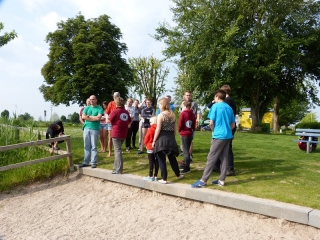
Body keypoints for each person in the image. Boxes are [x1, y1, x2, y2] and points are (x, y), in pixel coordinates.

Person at [191, 90, 235, 188]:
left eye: (214, 98)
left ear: (217, 97)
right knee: (224, 158)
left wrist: (214, 131)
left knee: (211, 158)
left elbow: (211, 123)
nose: (214, 99)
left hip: (218, 135)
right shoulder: (229, 108)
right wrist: (227, 130)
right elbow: (233, 125)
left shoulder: (215, 106)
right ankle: (221, 180)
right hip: (228, 135)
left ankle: (203, 180)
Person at [152, 98, 184, 184]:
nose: (158, 106)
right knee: (172, 158)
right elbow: (174, 130)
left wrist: (154, 140)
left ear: (162, 105)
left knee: (161, 159)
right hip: (171, 138)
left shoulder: (161, 115)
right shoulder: (173, 115)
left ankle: (164, 178)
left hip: (162, 138)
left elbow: (158, 129)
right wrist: (172, 138)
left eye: (159, 104)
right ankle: (178, 174)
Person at [207, 85, 237, 176]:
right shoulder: (230, 102)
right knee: (223, 149)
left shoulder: (226, 102)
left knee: (224, 150)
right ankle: (218, 167)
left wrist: (214, 130)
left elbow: (210, 108)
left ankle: (229, 168)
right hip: (228, 128)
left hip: (222, 129)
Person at [106, 97, 131, 174]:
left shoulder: (115, 111)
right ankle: (115, 167)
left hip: (116, 133)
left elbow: (108, 121)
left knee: (118, 151)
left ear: (116, 103)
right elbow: (129, 122)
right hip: (124, 134)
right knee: (118, 150)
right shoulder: (126, 112)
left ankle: (119, 169)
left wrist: (106, 116)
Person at [79, 95, 104, 168]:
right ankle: (86, 162)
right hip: (86, 128)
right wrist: (94, 117)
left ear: (96, 100)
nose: (91, 101)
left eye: (93, 99)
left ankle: (93, 162)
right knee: (86, 146)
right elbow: (83, 117)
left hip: (95, 129)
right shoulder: (86, 108)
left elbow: (99, 118)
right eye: (90, 99)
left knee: (94, 146)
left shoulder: (99, 108)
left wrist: (89, 117)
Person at [179, 91, 198, 158]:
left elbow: (194, 114)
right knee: (183, 139)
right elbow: (180, 112)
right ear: (184, 96)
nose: (188, 96)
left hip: (189, 124)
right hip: (183, 124)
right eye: (187, 95)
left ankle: (189, 154)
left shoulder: (193, 104)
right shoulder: (182, 103)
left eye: (189, 95)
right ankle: (184, 152)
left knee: (190, 139)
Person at [178, 100, 196, 174]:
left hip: (184, 133)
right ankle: (184, 163)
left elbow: (180, 124)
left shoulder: (183, 114)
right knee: (187, 149)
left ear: (184, 106)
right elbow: (194, 124)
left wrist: (179, 130)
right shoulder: (193, 114)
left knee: (185, 151)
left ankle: (187, 167)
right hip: (190, 132)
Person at [143, 116, 159, 181]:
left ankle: (150, 175)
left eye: (150, 122)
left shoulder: (151, 129)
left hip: (150, 146)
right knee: (156, 162)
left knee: (151, 162)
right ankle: (155, 175)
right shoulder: (158, 129)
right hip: (157, 147)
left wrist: (145, 144)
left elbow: (146, 138)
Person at [105, 92, 120, 157]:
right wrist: (106, 119)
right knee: (110, 137)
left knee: (118, 137)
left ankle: (117, 151)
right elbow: (106, 112)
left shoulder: (121, 104)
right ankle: (110, 152)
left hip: (118, 123)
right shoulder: (111, 103)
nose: (115, 98)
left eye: (116, 97)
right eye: (114, 97)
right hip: (111, 123)